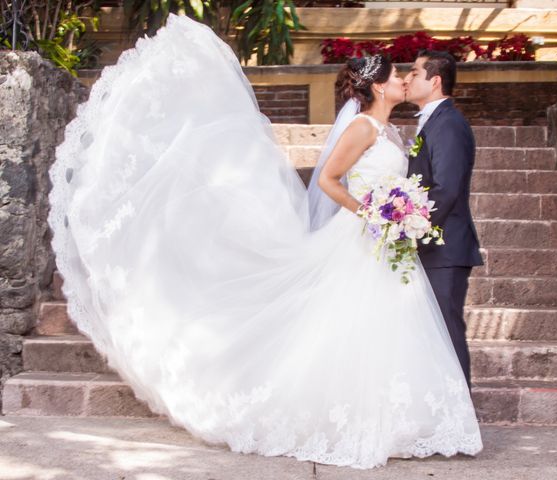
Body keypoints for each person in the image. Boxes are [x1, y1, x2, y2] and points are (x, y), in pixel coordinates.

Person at [48, 14, 482, 469]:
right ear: (377, 87)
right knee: (354, 325)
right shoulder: (362, 130)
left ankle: (401, 420)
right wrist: (371, 214)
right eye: (398, 75)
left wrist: (399, 213)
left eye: (409, 74)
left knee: (392, 327)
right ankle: (352, 419)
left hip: (387, 242)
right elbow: (331, 179)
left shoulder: (394, 131)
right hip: (364, 236)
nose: (404, 80)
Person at [404, 51, 484, 389]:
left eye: (414, 72)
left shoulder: (448, 124)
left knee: (448, 334)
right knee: (434, 334)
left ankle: (459, 426)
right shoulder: (432, 121)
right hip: (434, 247)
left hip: (445, 247)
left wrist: (409, 228)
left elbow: (446, 189)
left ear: (435, 80)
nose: (407, 79)